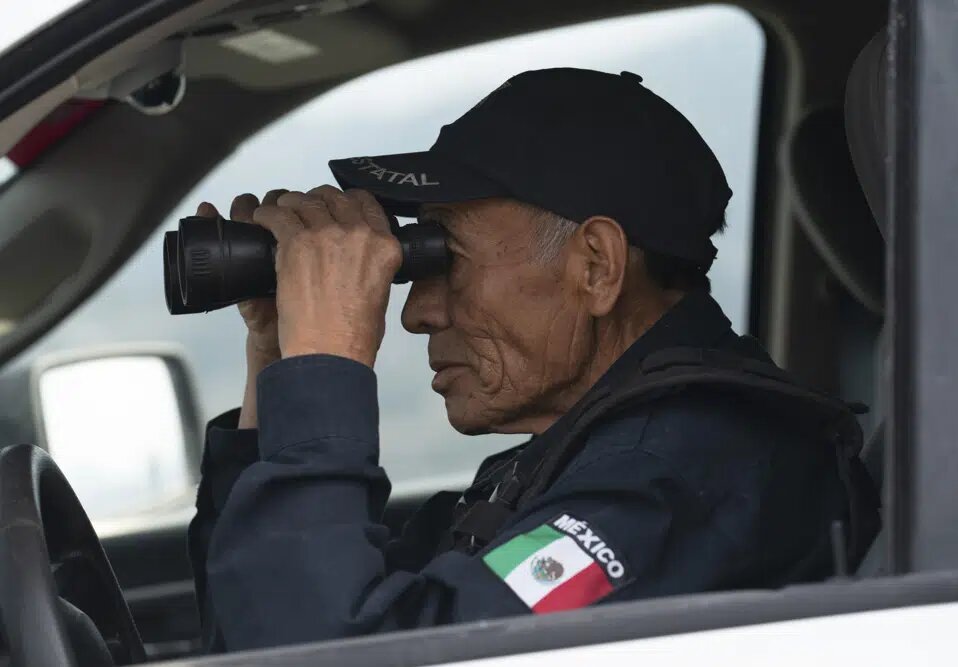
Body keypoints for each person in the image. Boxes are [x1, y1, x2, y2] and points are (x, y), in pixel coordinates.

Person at [188, 68, 880, 653]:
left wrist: (326, 373)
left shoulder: (679, 481)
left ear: (596, 265)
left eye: (444, 257)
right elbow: (264, 626)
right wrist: (277, 358)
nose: (415, 311)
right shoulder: (576, 462)